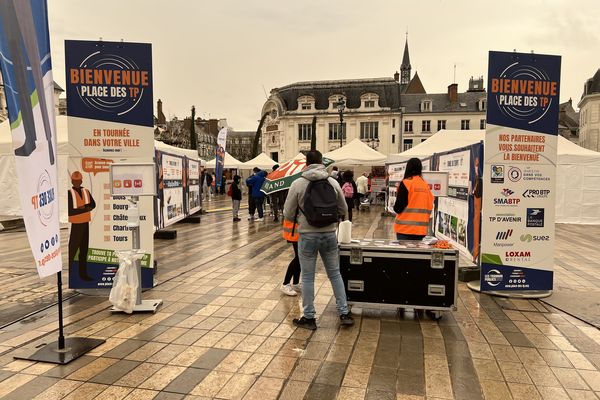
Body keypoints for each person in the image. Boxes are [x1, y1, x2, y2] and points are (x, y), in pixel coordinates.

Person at [283, 150, 353, 330]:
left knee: (307, 277)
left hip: (307, 235)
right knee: (335, 274)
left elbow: (288, 214)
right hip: (330, 234)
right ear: (322, 162)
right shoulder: (332, 181)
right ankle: (344, 312)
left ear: (306, 163)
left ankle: (309, 317)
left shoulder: (298, 183)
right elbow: (343, 208)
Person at [393, 158, 434, 240]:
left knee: (405, 252)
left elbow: (398, 208)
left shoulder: (406, 183)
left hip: (405, 229)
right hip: (421, 230)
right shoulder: (425, 185)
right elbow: (430, 205)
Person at [68, 171, 96, 283]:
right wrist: (85, 208)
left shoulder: (86, 191)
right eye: (75, 181)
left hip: (85, 224)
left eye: (78, 181)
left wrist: (82, 208)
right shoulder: (69, 193)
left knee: (84, 251)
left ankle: (83, 275)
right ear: (72, 181)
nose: (77, 183)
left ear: (81, 181)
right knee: (72, 251)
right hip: (76, 225)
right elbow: (70, 211)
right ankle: (71, 274)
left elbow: (92, 205)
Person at [281, 209, 301, 296]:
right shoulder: (294, 194)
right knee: (299, 257)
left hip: (299, 228)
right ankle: (285, 284)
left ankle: (295, 283)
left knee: (300, 257)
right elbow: (288, 212)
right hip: (295, 229)